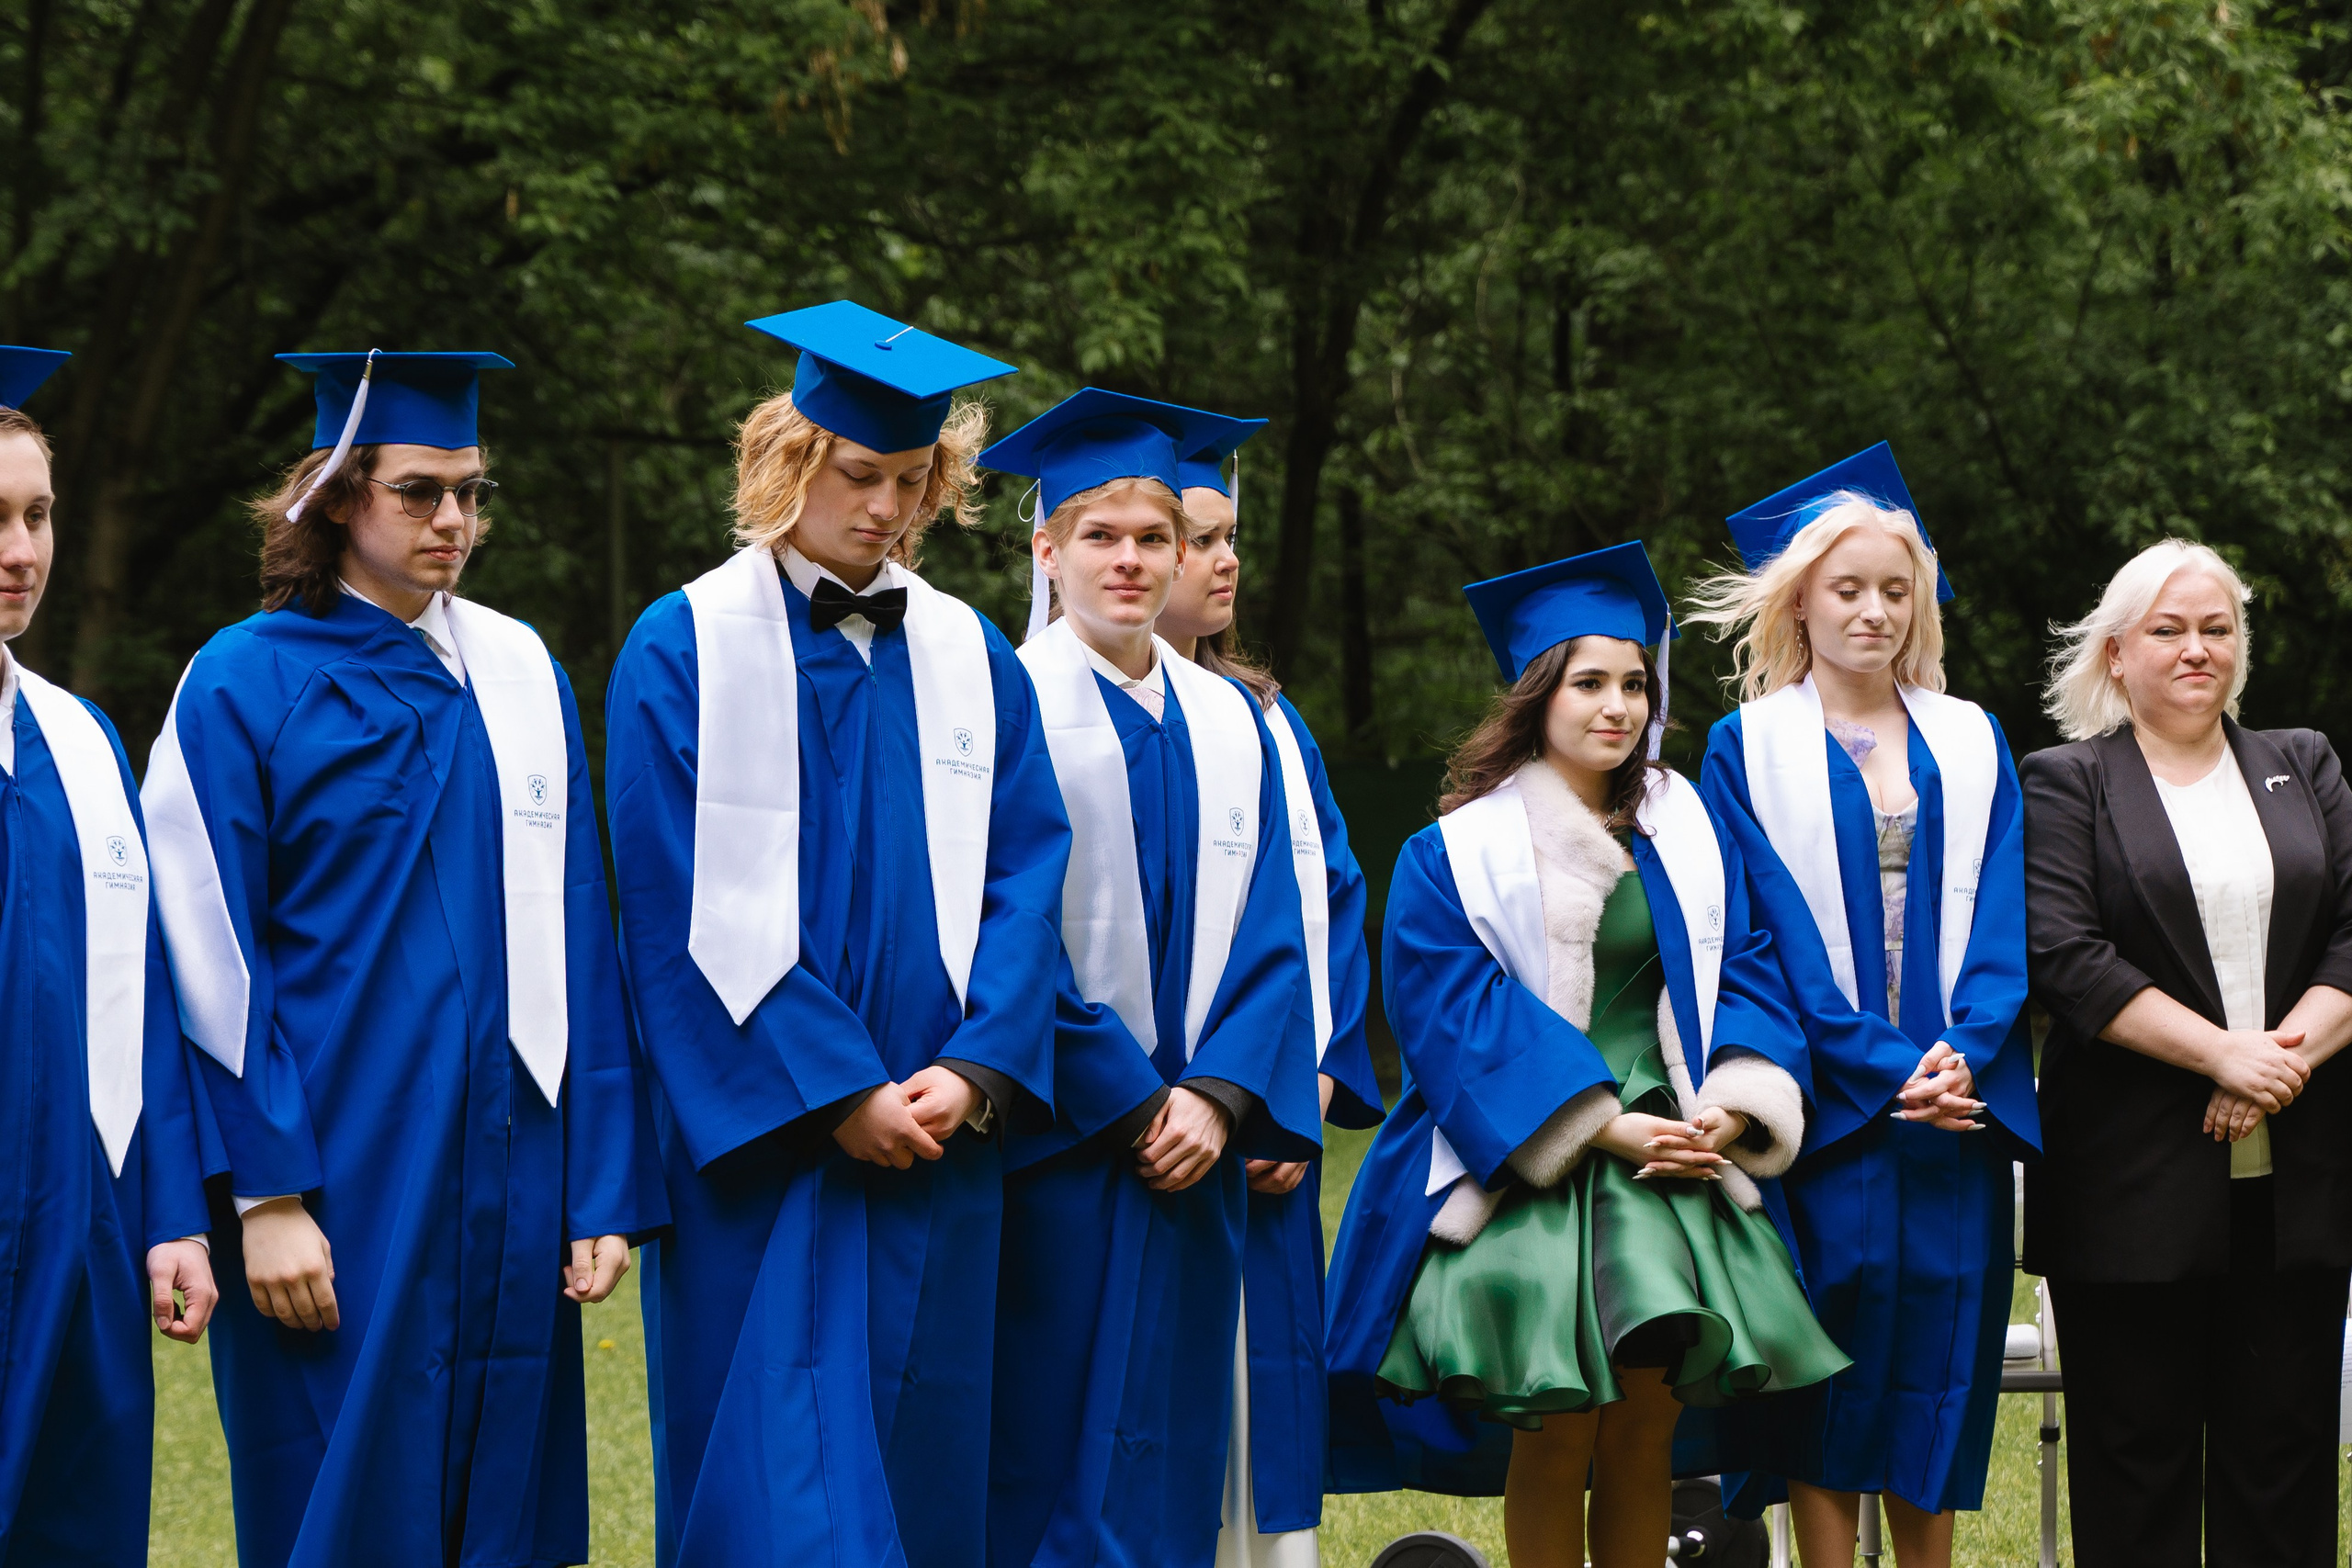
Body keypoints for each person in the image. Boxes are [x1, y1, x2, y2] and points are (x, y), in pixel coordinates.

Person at [143, 350, 666, 1568]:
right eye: (420, 491)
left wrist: (597, 1179)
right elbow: (204, 958)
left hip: (511, 1161)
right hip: (343, 1169)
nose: (454, 522)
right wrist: (267, 1197)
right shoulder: (240, 681)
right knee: (346, 1497)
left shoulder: (519, 670)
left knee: (509, 1502)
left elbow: (577, 928)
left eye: (473, 493)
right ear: (335, 495)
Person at [605, 302, 1064, 1568]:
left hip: (941, 1132)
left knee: (924, 1459)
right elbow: (671, 899)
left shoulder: (975, 654)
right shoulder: (681, 643)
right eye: (859, 475)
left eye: (912, 480)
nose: (886, 508)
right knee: (774, 1475)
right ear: (789, 462)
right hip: (771, 1138)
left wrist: (973, 1069)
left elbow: (1031, 882)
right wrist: (839, 1087)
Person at [1323, 542, 1846, 1568]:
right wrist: (1601, 1125)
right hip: (1541, 1150)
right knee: (1560, 1430)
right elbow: (1449, 1012)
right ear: (1536, 696)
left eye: (1634, 683)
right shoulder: (1457, 849)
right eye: (1588, 683)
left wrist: (1731, 1111)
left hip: (1678, 1145)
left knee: (1646, 1429)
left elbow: (1744, 964)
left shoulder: (1684, 825)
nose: (1616, 706)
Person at [979, 389, 1323, 1568]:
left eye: (1153, 539)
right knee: (1050, 1449)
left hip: (1198, 1156)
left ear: (1183, 551)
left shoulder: (1234, 720)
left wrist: (1222, 1095)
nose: (1129, 562)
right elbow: (1002, 933)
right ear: (1045, 550)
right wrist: (1135, 1098)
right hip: (1061, 1147)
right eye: (1100, 537)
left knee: (1177, 1455)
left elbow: (1281, 930)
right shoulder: (995, 704)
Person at [1687, 444, 2039, 1565]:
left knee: (1939, 1355)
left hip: (1953, 1110)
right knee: (1829, 1360)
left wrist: (1963, 1054)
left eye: (1897, 590)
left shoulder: (1971, 737)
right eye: (1848, 589)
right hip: (1833, 1111)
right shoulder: (1746, 747)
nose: (1874, 611)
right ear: (1802, 598)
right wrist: (1888, 1068)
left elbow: (2003, 921)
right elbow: (1763, 937)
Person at [2023, 538, 2352, 1568]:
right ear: (2116, 654)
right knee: (2137, 1468)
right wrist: (2220, 1056)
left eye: (2217, 628)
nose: (2196, 648)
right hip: (2130, 1189)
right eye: (2168, 630)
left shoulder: (2304, 764)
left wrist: (2270, 1066)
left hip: (2295, 1190)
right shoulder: (2067, 783)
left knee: (2285, 1463)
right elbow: (2066, 959)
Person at [1155, 424, 1385, 1568]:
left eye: (1226, 538)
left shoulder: (1269, 715)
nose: (1221, 561)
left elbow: (1328, 898)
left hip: (1272, 1123)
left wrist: (1313, 1076)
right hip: (1146, 1120)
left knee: (1265, 1390)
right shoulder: (1038, 700)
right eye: (1196, 539)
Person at [0, 346, 215, 1566]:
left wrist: (171, 1215)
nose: (22, 549)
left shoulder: (78, 740)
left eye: (37, 514)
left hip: (78, 1231)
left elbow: (139, 1006)